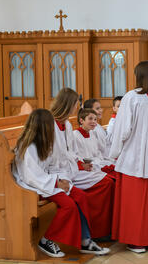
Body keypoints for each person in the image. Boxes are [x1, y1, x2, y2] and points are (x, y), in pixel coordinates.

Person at [12, 109, 109, 257]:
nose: (53, 129)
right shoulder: (29, 147)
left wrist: (61, 179)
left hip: (48, 180)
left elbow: (51, 165)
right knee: (68, 205)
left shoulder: (44, 143)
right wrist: (56, 183)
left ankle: (85, 240)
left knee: (81, 196)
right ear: (42, 126)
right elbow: (31, 176)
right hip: (34, 185)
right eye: (50, 126)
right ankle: (47, 240)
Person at [110, 61, 148, 253]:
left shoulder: (132, 97)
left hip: (134, 158)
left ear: (139, 76)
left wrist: (114, 153)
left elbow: (123, 130)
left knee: (135, 201)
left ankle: (137, 241)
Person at [51, 88, 114, 241]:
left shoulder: (66, 124)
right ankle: (96, 232)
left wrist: (79, 164)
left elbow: (70, 152)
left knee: (109, 181)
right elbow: (55, 156)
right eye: (76, 104)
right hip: (59, 172)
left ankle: (104, 229)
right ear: (68, 104)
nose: (77, 107)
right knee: (106, 184)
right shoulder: (51, 125)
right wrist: (78, 165)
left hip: (71, 168)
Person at [73, 108, 117, 180]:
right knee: (110, 179)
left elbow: (97, 153)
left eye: (95, 119)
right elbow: (77, 156)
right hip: (87, 167)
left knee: (117, 171)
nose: (93, 122)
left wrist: (103, 162)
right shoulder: (75, 135)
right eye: (90, 119)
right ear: (81, 121)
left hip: (97, 163)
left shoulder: (92, 133)